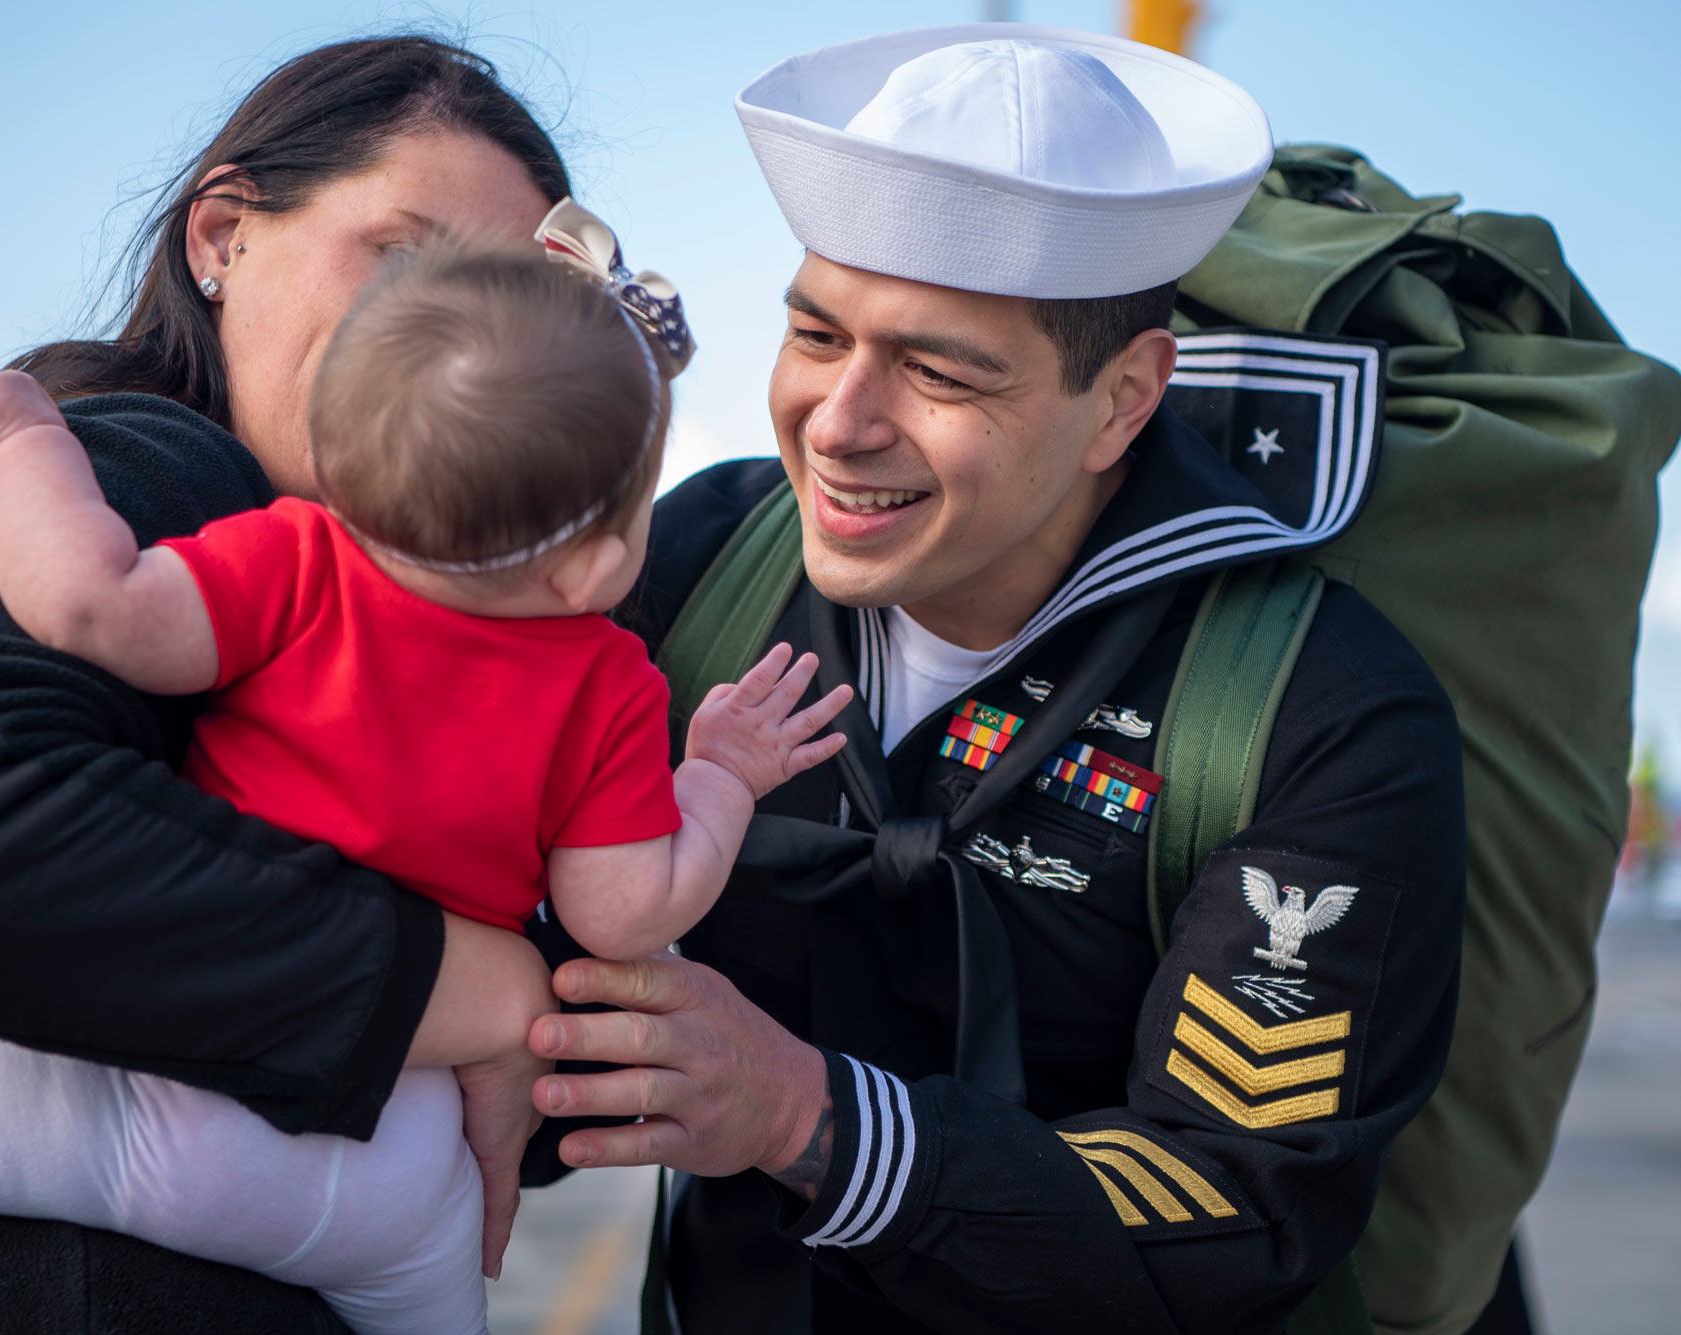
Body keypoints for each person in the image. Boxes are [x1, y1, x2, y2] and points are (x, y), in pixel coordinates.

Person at [0, 219, 853, 1335]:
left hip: (198, 1096)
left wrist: (31, 443)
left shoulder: (295, 560)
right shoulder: (610, 687)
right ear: (604, 557)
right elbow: (626, 909)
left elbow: (82, 601)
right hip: (406, 1171)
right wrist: (716, 779)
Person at [522, 27, 1468, 1334]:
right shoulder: (695, 565)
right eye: (816, 331)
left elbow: (1241, 1201)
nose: (840, 422)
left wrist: (813, 1118)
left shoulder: (1322, 708)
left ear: (1125, 401)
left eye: (937, 369)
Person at [0, 37, 591, 1335]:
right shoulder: (154, 479)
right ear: (220, 236)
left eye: (505, 309)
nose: (448, 342)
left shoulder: (350, 593)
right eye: (401, 260)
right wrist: (482, 986)